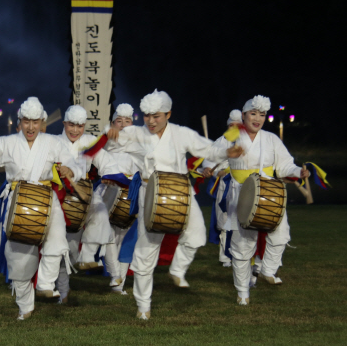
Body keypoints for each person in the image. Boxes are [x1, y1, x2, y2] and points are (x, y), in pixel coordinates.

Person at [106, 89, 242, 319]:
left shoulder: (181, 133)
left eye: (156, 116)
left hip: (181, 191)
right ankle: (143, 306)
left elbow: (206, 148)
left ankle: (177, 269)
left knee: (197, 234)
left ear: (168, 114)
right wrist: (110, 136)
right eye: (147, 115)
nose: (150, 121)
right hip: (150, 192)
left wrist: (227, 151)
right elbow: (110, 143)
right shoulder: (135, 133)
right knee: (146, 251)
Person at [0, 97, 84, 320]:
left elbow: (74, 164)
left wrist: (70, 170)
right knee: (18, 259)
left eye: (35, 122)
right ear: (20, 121)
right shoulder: (5, 143)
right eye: (26, 121)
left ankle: (46, 283)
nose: (31, 127)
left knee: (58, 242)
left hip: (47, 198)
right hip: (18, 200)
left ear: (42, 122)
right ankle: (25, 306)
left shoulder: (54, 143)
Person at [213, 95, 309, 305]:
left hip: (269, 195)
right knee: (242, 245)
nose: (257, 119)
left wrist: (297, 172)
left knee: (281, 234)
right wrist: (218, 163)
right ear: (244, 115)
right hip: (240, 195)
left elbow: (285, 165)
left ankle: (266, 270)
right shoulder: (232, 135)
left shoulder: (271, 139)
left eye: (262, 115)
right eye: (253, 114)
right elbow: (211, 158)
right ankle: (242, 292)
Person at [54, 105, 119, 303]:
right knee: (66, 249)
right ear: (64, 123)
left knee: (100, 215)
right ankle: (63, 291)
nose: (75, 130)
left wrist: (108, 175)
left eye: (80, 126)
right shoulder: (53, 143)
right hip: (62, 199)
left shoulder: (90, 141)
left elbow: (107, 161)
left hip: (86, 193)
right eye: (71, 125)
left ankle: (87, 257)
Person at [102, 103, 141, 295]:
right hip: (108, 192)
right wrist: (106, 133)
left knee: (126, 238)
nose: (124, 125)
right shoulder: (107, 139)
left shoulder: (140, 143)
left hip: (132, 194)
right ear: (112, 124)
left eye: (128, 121)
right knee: (108, 235)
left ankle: (120, 282)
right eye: (119, 121)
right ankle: (114, 275)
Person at [199, 109, 242, 268]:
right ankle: (225, 257)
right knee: (224, 222)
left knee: (243, 221)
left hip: (244, 186)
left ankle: (241, 256)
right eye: (231, 125)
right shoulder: (220, 142)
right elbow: (209, 163)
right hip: (224, 186)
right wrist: (210, 170)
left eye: (237, 125)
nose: (234, 128)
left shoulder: (249, 142)